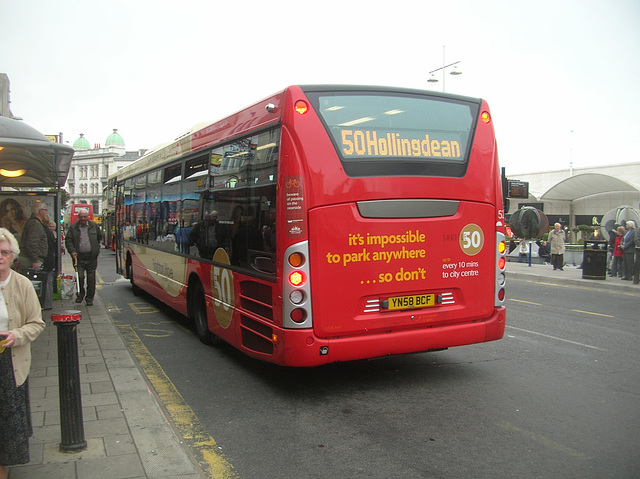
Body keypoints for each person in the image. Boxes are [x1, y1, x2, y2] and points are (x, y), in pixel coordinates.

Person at [0, 228, 46, 478]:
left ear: (13, 256)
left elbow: (37, 323)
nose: (0, 256)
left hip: (10, 361)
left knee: (8, 418)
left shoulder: (22, 284)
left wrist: (16, 336)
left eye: (4, 252)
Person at [65, 208, 103, 306]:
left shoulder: (94, 226)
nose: (83, 218)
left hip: (91, 257)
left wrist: (96, 248)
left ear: (87, 217)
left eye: (84, 217)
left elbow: (100, 237)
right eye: (81, 217)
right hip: (79, 258)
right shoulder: (73, 228)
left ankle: (89, 298)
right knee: (80, 277)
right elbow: (68, 241)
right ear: (78, 217)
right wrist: (72, 251)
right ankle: (80, 295)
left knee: (91, 279)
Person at [16, 201, 49, 275]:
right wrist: (34, 260)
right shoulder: (34, 223)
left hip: (31, 258)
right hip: (29, 260)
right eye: (45, 210)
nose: (46, 212)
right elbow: (32, 242)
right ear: (41, 211)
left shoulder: (34, 222)